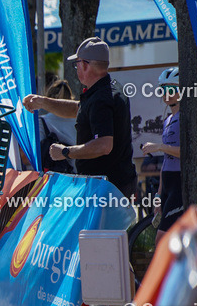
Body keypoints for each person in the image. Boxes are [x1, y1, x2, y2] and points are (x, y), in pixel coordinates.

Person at [22, 37, 136, 198]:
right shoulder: (108, 88)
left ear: (84, 64)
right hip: (115, 183)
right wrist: (43, 102)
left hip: (106, 187)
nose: (76, 69)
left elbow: (104, 145)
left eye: (77, 64)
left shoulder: (100, 99)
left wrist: (66, 152)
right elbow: (78, 109)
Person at [142, 67, 182, 233]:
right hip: (167, 182)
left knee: (162, 238)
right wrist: (158, 195)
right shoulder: (168, 120)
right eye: (162, 89)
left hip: (180, 182)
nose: (166, 93)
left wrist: (158, 146)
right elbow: (166, 159)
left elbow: (185, 153)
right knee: (164, 239)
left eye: (171, 89)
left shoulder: (185, 117)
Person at [38, 79, 77, 174]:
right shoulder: (79, 120)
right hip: (77, 175)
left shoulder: (42, 121)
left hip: (51, 177)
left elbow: (38, 150)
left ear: (48, 100)